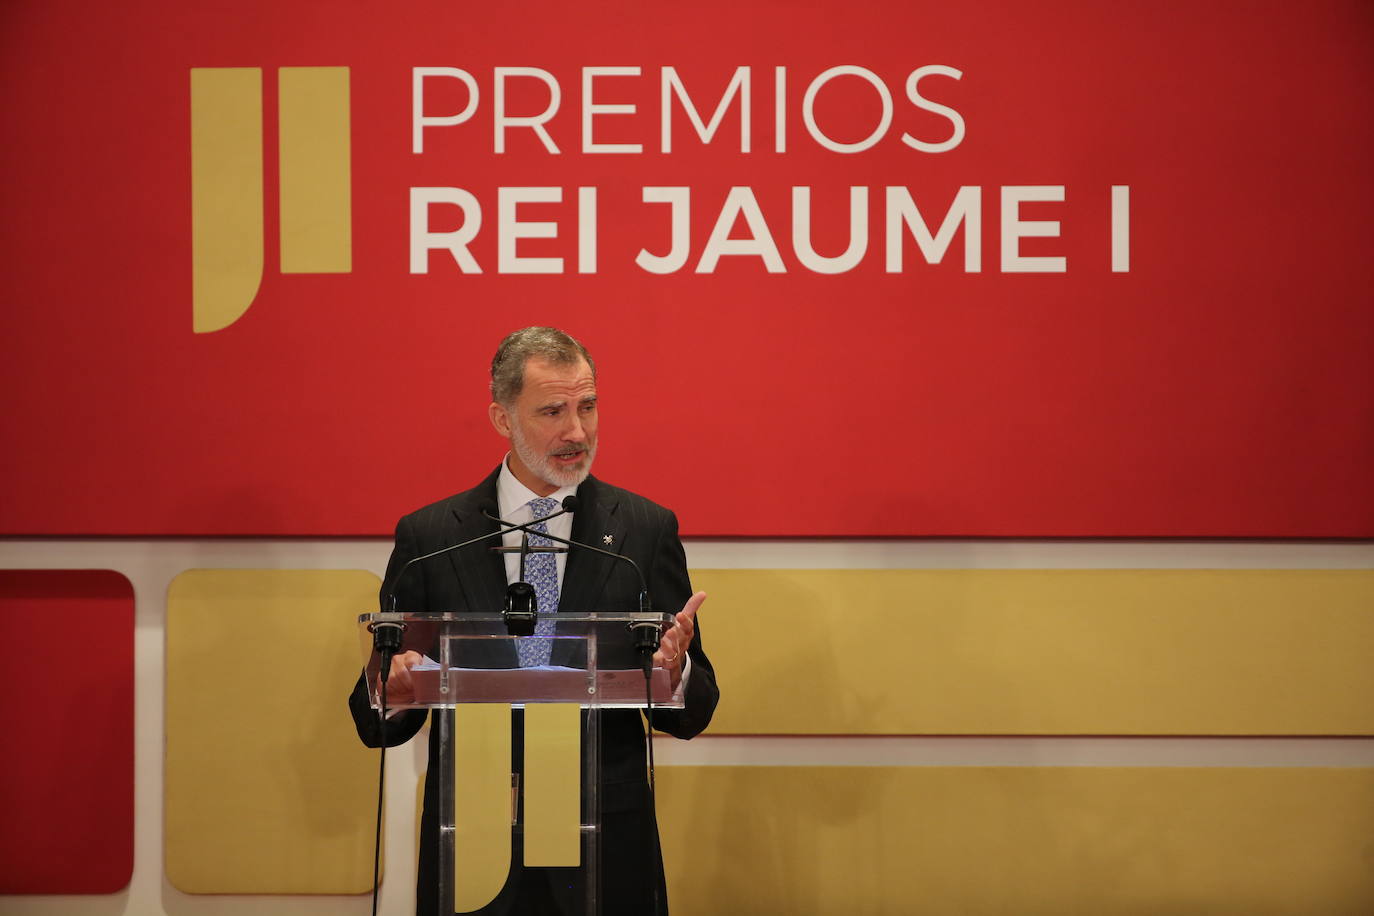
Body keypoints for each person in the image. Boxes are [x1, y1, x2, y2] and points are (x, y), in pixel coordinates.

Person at [349, 326, 719, 915]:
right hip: (471, 844)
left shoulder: (644, 531)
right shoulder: (431, 537)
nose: (577, 431)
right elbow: (376, 719)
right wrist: (391, 689)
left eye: (588, 407)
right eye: (553, 411)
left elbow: (694, 710)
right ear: (502, 418)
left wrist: (672, 671)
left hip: (606, 845)